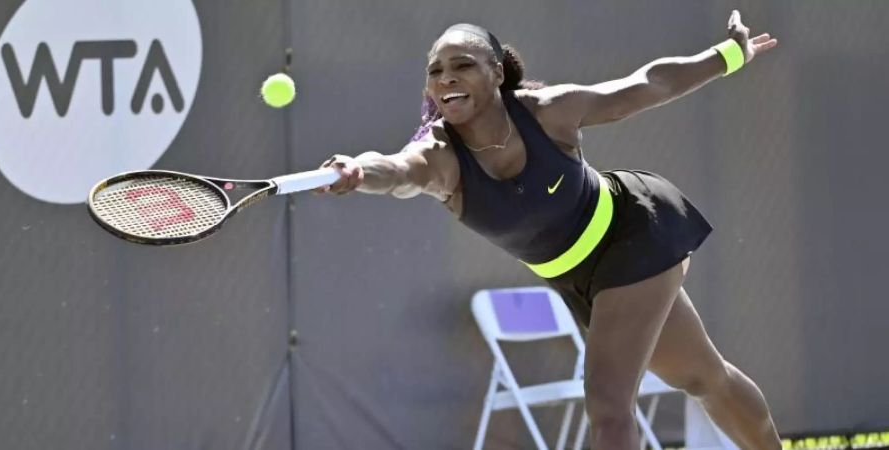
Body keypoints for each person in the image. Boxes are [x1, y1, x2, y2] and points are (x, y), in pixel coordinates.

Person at [318, 10, 780, 450]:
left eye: (463, 65)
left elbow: (646, 83)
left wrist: (730, 55)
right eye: (435, 70)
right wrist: (357, 170)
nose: (446, 78)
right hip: (573, 277)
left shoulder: (546, 111)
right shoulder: (439, 157)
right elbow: (396, 171)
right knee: (702, 376)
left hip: (632, 231)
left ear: (497, 73)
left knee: (607, 402)